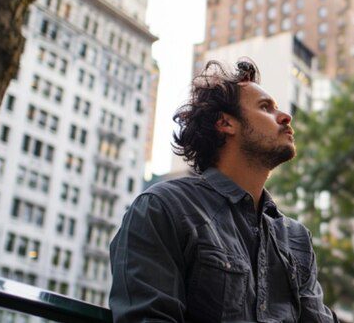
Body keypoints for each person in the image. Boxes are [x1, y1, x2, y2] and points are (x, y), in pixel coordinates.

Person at [109, 59, 337, 322]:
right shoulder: (163, 208)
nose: (285, 116)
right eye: (266, 108)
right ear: (226, 123)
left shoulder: (295, 238)